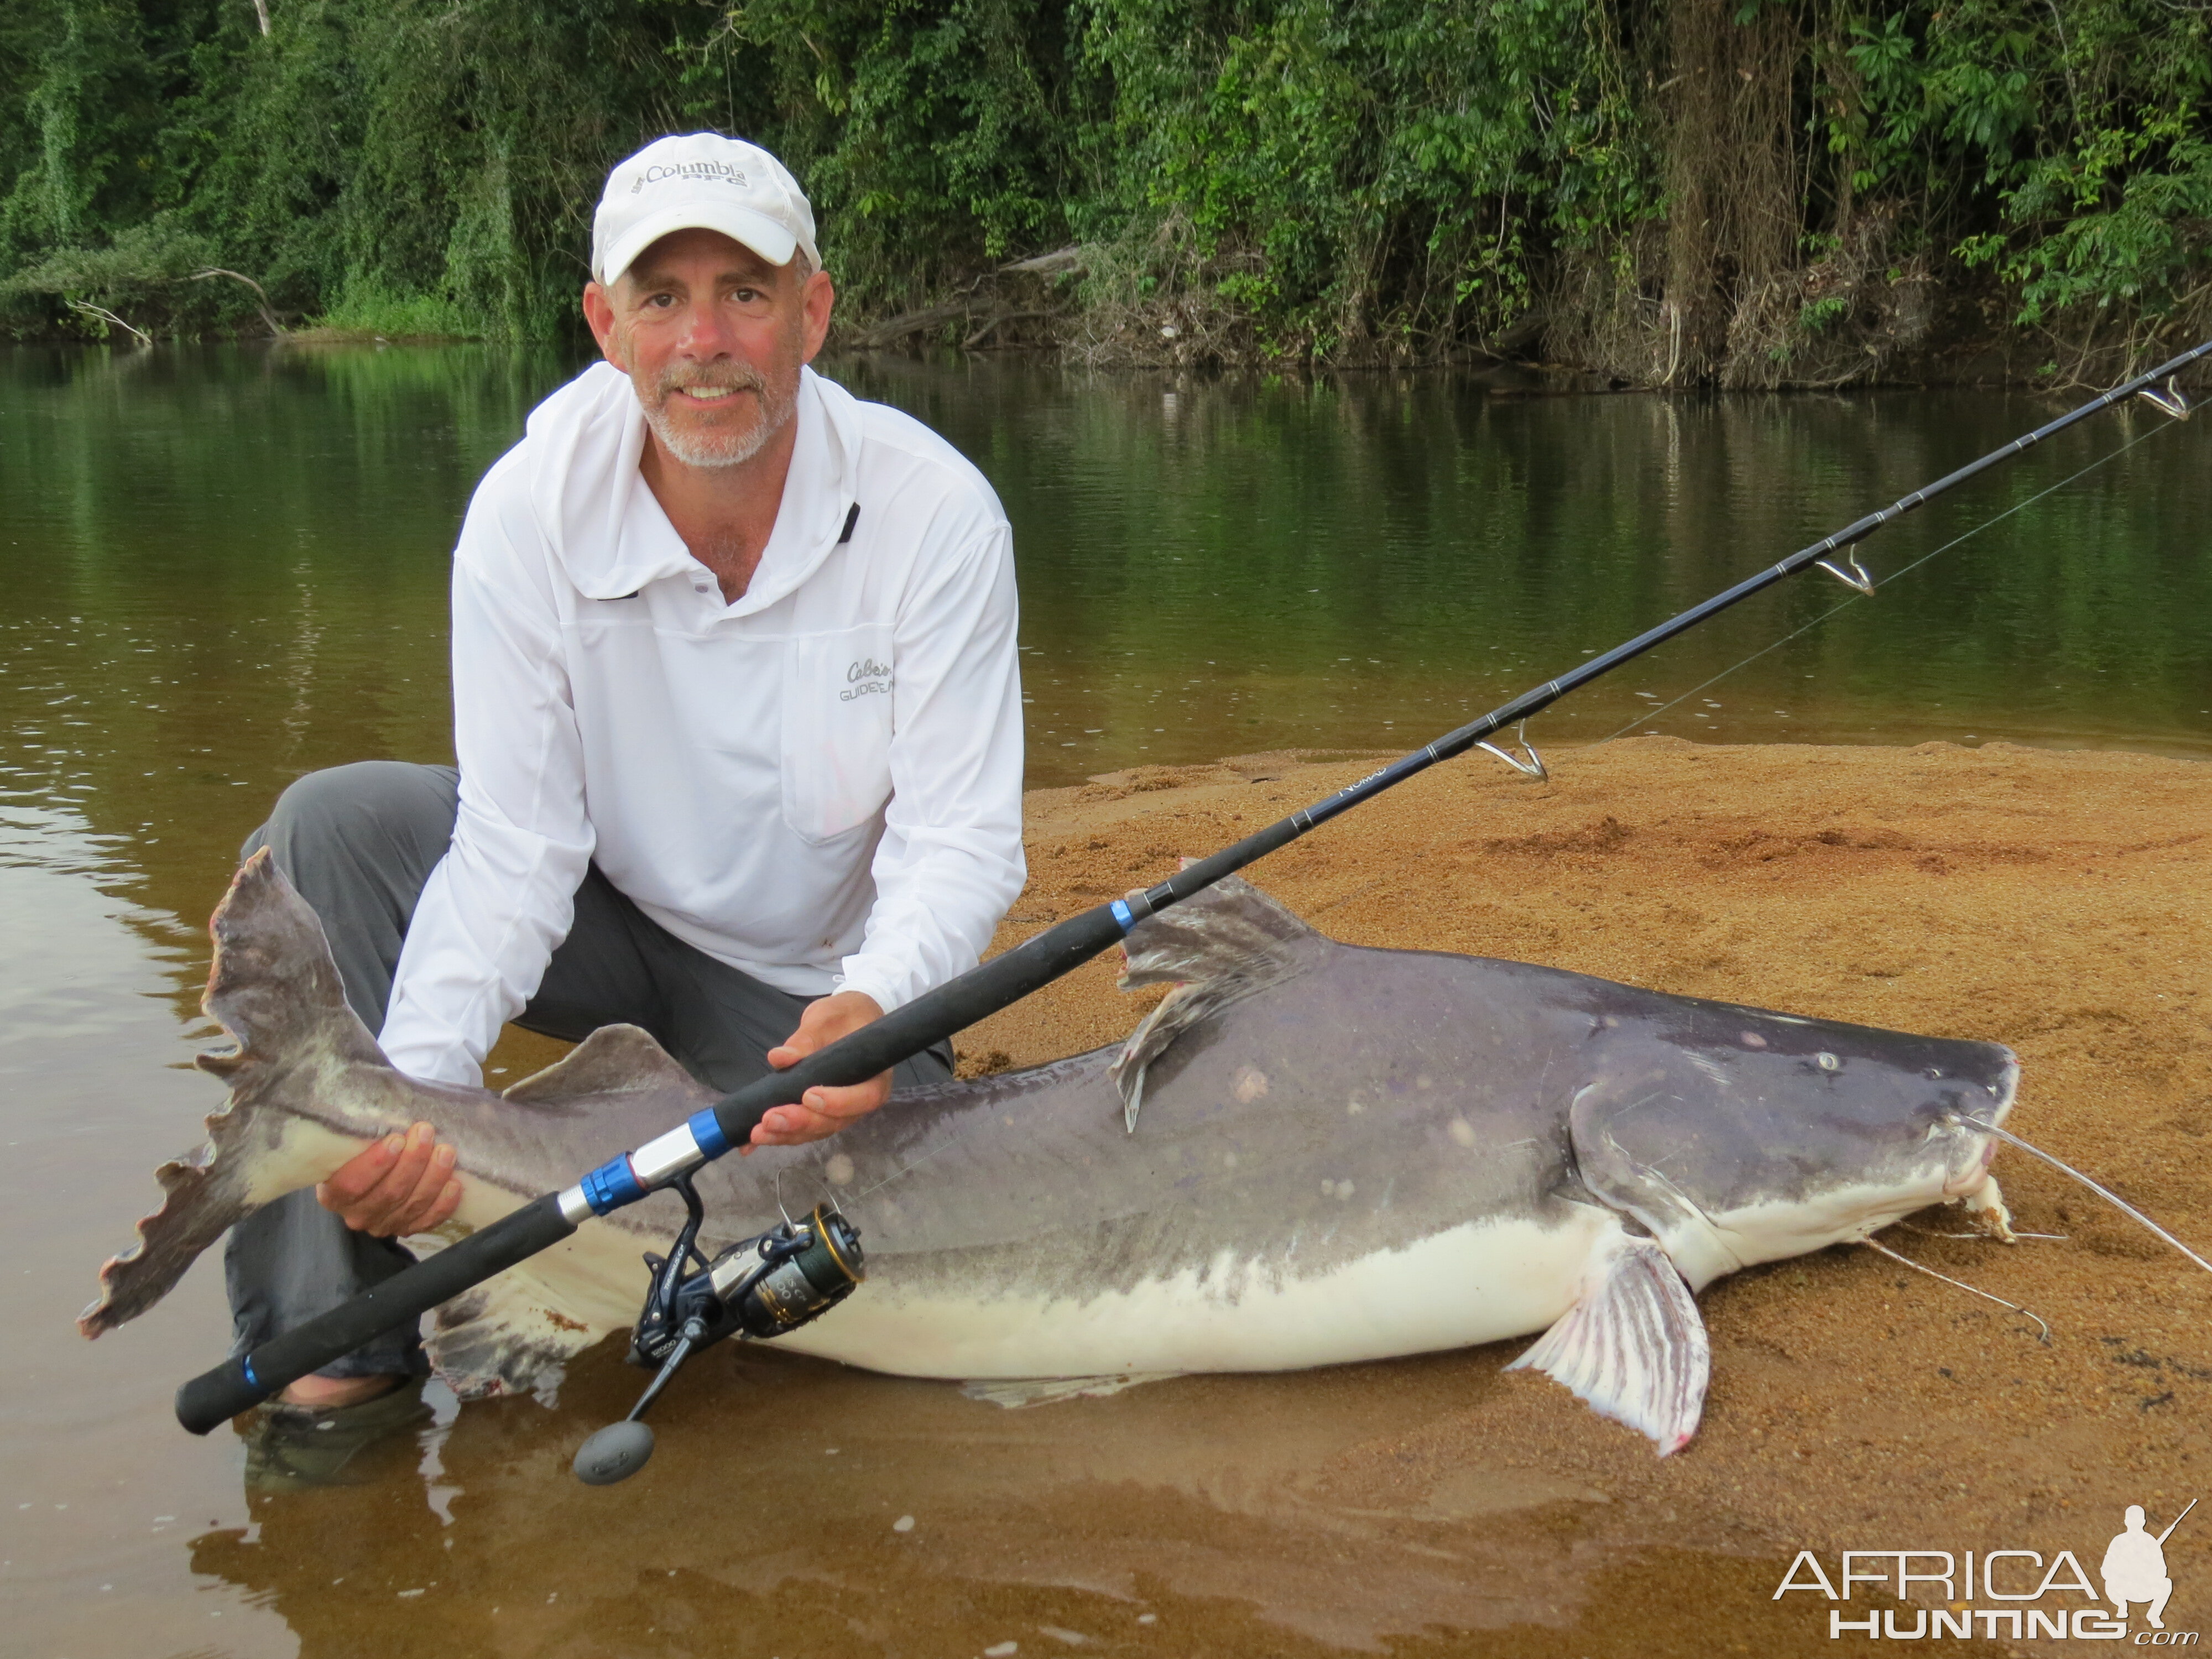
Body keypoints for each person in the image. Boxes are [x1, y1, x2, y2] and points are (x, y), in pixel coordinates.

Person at [225, 132, 1026, 1418]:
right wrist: (410, 1102)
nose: (701, 338)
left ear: (810, 313)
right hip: (600, 912)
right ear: (607, 325)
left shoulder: (936, 516)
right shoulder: (525, 512)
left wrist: (879, 1003)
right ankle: (333, 1364)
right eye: (662, 298)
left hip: (808, 993)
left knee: (890, 1274)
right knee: (336, 824)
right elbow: (514, 851)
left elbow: (961, 843)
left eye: (743, 294)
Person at [2103, 1504, 2176, 1629]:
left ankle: (2154, 1615)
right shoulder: (2118, 1541)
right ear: (2126, 1522)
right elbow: (2106, 1569)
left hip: (2145, 1588)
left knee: (2167, 1583)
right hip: (2122, 1589)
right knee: (2109, 1583)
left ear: (2143, 1522)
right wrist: (2123, 1573)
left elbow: (2162, 1570)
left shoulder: (2151, 1542)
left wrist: (2146, 1570)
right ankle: (2122, 1606)